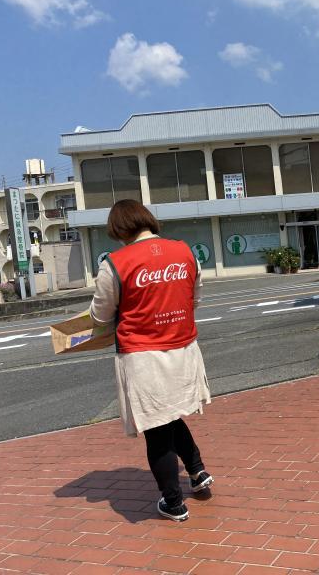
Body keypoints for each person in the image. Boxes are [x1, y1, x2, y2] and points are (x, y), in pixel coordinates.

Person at [89, 200, 213, 522]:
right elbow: (195, 298)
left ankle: (173, 503)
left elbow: (100, 314)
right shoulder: (185, 252)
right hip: (184, 349)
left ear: (119, 229)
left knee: (157, 427)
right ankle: (197, 471)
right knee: (171, 415)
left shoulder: (115, 263)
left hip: (143, 356)